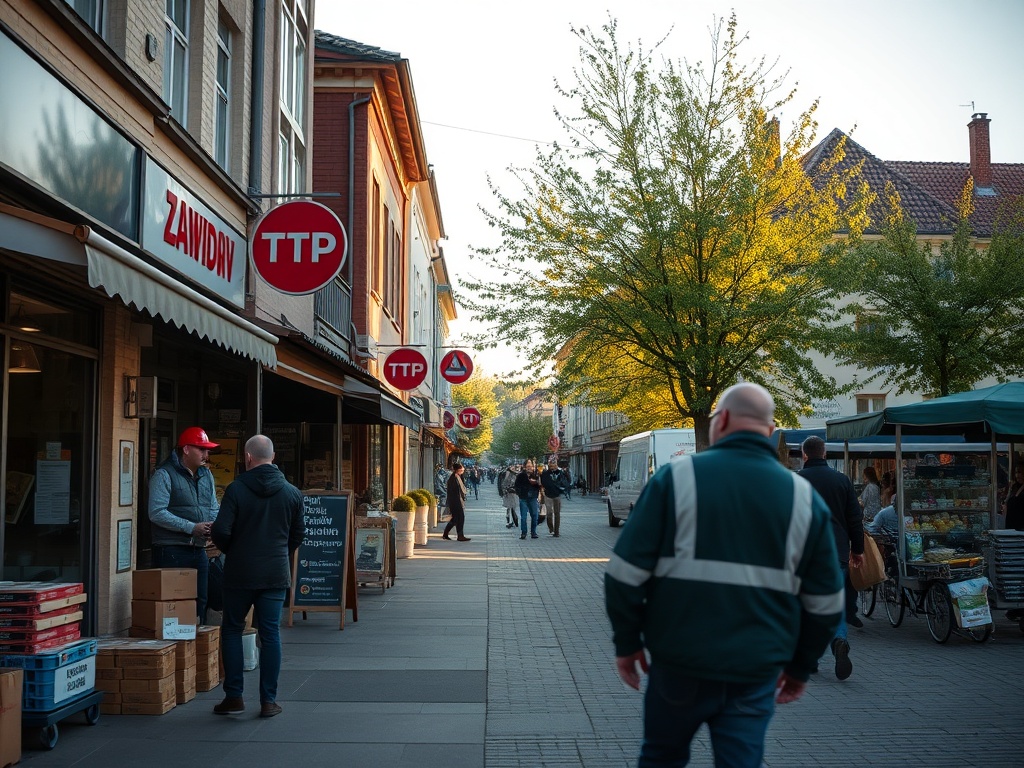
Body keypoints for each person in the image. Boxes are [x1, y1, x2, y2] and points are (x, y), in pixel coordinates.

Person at [605, 383, 842, 768]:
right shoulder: (802, 498)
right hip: (755, 668)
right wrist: (800, 667)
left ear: (723, 420)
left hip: (679, 662)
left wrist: (627, 641)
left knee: (661, 757)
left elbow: (623, 574)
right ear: (769, 432)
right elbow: (827, 602)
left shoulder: (674, 480)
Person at [210, 435, 303, 718]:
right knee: (270, 634)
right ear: (273, 457)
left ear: (248, 457)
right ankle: (268, 701)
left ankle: (234, 696)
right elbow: (298, 534)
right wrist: (279, 553)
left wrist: (233, 551)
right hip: (275, 572)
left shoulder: (236, 489)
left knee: (232, 630)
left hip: (240, 572)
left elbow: (221, 531)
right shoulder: (291, 492)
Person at [798, 436, 866, 678]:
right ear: (824, 453)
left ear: (804, 455)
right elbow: (854, 519)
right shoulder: (842, 480)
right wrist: (857, 550)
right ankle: (838, 640)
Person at [148, 426, 220, 624]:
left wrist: (213, 525)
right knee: (174, 604)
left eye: (207, 450)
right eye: (202, 449)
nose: (207, 454)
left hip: (199, 548)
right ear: (186, 449)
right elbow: (156, 512)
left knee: (200, 601)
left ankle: (196, 646)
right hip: (171, 549)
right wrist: (191, 527)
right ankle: (176, 649)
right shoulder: (163, 474)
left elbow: (213, 506)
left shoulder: (206, 476)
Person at [442, 463, 471, 541]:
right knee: (459, 518)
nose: (463, 470)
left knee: (456, 519)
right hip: (455, 502)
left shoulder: (457, 477)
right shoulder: (453, 478)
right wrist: (458, 502)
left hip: (457, 501)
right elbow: (454, 492)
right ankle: (459, 536)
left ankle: (449, 534)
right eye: (462, 469)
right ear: (458, 470)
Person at [515, 459, 542, 540]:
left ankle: (533, 532)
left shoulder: (536, 475)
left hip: (533, 497)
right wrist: (520, 493)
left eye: (531, 466)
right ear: (524, 467)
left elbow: (540, 485)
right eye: (528, 466)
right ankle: (524, 532)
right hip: (523, 497)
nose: (529, 468)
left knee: (534, 515)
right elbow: (516, 485)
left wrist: (536, 482)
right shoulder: (521, 475)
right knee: (523, 516)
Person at [541, 458, 565, 536]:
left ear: (556, 465)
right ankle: (551, 528)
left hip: (557, 495)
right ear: (549, 465)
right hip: (548, 495)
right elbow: (543, 482)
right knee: (549, 513)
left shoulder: (560, 473)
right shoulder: (545, 473)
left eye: (554, 466)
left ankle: (556, 531)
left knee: (557, 513)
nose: (552, 467)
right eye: (551, 466)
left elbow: (563, 481)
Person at [1002, 464, 1024, 530]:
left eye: (1019, 472)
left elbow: (1017, 500)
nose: (1017, 475)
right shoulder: (1015, 486)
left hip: (1021, 523)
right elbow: (1007, 501)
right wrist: (1010, 490)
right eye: (1016, 472)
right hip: (1011, 523)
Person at [499, 464, 520, 529]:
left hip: (514, 493)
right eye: (512, 467)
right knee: (510, 507)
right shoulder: (506, 473)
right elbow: (503, 483)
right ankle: (510, 521)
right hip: (508, 493)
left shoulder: (516, 474)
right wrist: (504, 491)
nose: (513, 468)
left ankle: (512, 521)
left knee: (513, 507)